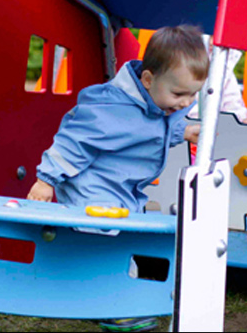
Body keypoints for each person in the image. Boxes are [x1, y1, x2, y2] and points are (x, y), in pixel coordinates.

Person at [27, 25, 210, 333]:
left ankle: (138, 290)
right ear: (148, 79)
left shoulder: (154, 103)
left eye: (193, 94)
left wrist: (183, 131)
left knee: (133, 235)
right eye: (179, 93)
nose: (184, 103)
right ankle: (111, 306)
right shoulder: (110, 106)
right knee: (107, 237)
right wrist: (46, 179)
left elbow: (151, 130)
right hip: (93, 187)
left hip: (123, 188)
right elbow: (75, 140)